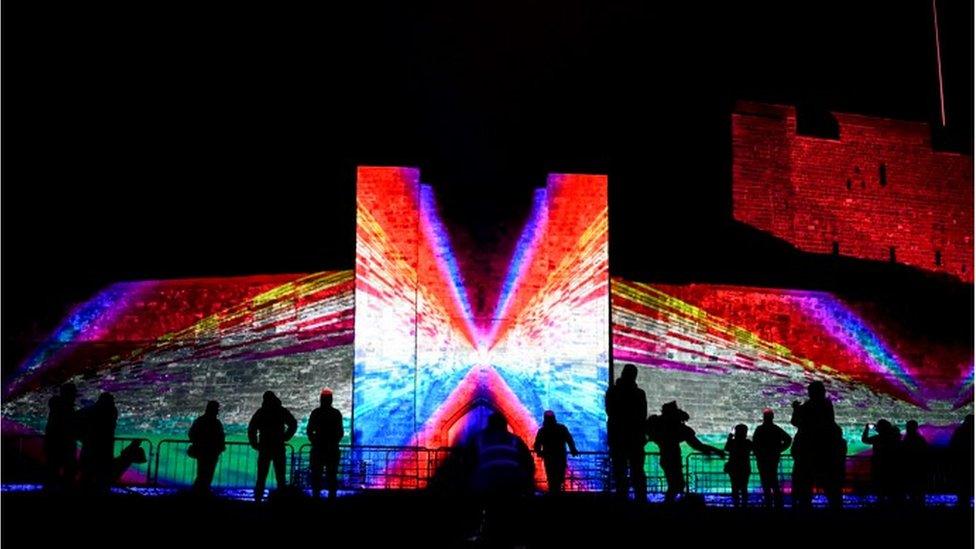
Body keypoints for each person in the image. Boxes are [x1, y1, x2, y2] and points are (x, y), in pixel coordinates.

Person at [466, 412, 535, 545]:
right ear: (505, 425)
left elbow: (468, 462)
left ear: (489, 424)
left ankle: (482, 533)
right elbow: (527, 462)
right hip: (512, 483)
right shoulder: (515, 440)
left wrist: (471, 481)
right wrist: (527, 483)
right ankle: (515, 537)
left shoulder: (479, 439)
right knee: (511, 511)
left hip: (488, 482)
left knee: (487, 509)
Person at [646, 401, 725, 503]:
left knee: (675, 485)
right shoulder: (679, 429)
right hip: (673, 459)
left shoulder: (659, 426)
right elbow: (698, 445)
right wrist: (716, 451)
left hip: (667, 458)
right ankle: (668, 506)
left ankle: (668, 505)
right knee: (676, 485)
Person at [790, 381, 844, 509]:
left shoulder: (809, 407)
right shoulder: (827, 406)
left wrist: (796, 410)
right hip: (825, 453)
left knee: (805, 485)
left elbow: (796, 422)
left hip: (808, 453)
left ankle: (805, 507)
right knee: (830, 487)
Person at [605, 363, 647, 501]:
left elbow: (610, 412)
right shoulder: (639, 394)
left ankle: (622, 500)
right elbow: (642, 416)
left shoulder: (612, 392)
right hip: (634, 439)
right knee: (637, 471)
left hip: (618, 438)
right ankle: (639, 500)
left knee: (620, 472)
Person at [248, 391, 297, 502]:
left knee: (261, 477)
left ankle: (258, 499)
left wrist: (255, 443)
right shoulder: (280, 411)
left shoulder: (261, 412)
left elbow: (252, 428)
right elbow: (293, 423)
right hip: (278, 446)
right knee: (280, 477)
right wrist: (285, 437)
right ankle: (282, 500)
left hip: (265, 447)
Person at [307, 387, 344, 499]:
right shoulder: (336, 413)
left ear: (321, 399)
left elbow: (309, 430)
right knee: (331, 476)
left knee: (316, 476)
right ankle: (331, 499)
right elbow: (340, 432)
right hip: (332, 450)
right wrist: (333, 442)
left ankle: (316, 498)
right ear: (331, 400)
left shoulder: (316, 413)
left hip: (318, 449)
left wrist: (315, 441)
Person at [78, 392, 118, 493]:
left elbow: (81, 415)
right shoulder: (112, 411)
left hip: (91, 447)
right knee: (102, 477)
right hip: (105, 449)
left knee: (87, 474)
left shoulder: (92, 410)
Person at [752, 408, 792, 507]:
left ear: (764, 417)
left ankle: (768, 503)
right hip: (773, 458)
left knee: (765, 481)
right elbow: (788, 439)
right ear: (772, 417)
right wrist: (779, 449)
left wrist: (758, 452)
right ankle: (778, 503)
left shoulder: (759, 429)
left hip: (762, 459)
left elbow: (755, 444)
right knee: (773, 481)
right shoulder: (776, 429)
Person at [533, 410, 579, 494]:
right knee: (559, 478)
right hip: (560, 457)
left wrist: (540, 452)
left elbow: (537, 445)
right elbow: (569, 440)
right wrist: (573, 449)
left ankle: (553, 497)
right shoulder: (561, 428)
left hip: (549, 458)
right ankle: (558, 496)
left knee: (551, 478)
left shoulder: (543, 431)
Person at [44, 383, 78, 490]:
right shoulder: (66, 408)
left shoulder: (56, 407)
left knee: (53, 472)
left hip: (54, 445)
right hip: (64, 446)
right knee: (67, 473)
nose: (75, 395)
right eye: (73, 392)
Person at [861, 419, 902, 505]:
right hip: (892, 466)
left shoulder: (878, 438)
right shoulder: (895, 438)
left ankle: (881, 505)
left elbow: (864, 439)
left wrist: (867, 429)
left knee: (880, 487)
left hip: (878, 466)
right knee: (891, 486)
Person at [188, 400, 226, 493]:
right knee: (207, 474)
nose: (218, 411)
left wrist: (198, 443)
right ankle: (202, 492)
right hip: (212, 452)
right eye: (217, 409)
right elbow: (221, 437)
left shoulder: (200, 421)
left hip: (202, 452)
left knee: (202, 473)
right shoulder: (216, 423)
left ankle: (198, 492)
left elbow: (191, 434)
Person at [900, 420, 929, 506]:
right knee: (918, 487)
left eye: (908, 427)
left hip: (910, 466)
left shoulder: (907, 439)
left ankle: (913, 504)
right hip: (918, 466)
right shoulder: (920, 439)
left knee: (911, 486)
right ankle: (919, 504)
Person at [724, 424, 753, 507]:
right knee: (744, 487)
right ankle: (744, 505)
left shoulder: (732, 442)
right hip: (745, 467)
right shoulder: (747, 442)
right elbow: (753, 448)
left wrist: (729, 438)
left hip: (733, 467)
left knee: (734, 487)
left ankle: (736, 505)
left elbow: (726, 448)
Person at [948, 414, 973, 508]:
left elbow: (953, 445)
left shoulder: (960, 431)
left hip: (961, 462)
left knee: (962, 484)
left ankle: (962, 504)